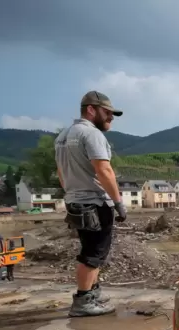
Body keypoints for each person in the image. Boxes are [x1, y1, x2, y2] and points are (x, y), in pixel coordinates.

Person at [55, 91, 127, 317]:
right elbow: (104, 170)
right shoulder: (91, 134)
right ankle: (83, 301)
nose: (111, 118)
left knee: (92, 250)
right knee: (93, 253)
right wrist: (117, 202)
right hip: (95, 203)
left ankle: (93, 292)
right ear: (91, 109)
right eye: (107, 113)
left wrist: (72, 193)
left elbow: (60, 173)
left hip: (76, 201)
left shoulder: (63, 137)